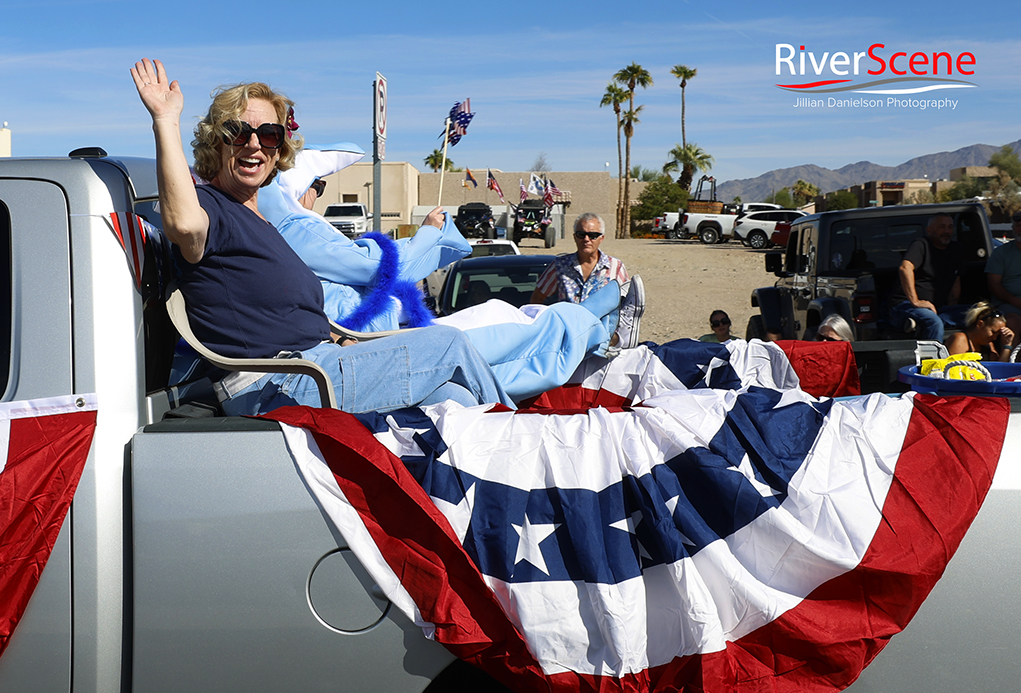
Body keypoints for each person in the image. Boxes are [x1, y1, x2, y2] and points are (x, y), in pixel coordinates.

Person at [131, 58, 513, 416]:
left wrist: (341, 338)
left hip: (318, 366)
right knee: (450, 345)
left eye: (268, 135)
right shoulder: (211, 207)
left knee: (455, 399)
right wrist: (165, 120)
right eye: (238, 132)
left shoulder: (261, 222)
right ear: (217, 141)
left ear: (279, 147)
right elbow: (183, 224)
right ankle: (530, 436)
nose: (253, 145)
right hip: (277, 385)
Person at [530, 213, 645, 348]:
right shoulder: (559, 266)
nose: (586, 239)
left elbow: (625, 304)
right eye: (581, 234)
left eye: (593, 235)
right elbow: (537, 299)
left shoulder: (615, 266)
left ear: (601, 238)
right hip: (567, 341)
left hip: (602, 342)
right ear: (574, 237)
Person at [887, 213, 966, 342]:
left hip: (938, 308)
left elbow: (956, 280)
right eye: (942, 227)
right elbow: (905, 268)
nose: (947, 231)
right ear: (930, 230)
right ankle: (933, 361)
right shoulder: (921, 245)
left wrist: (952, 307)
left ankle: (919, 325)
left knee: (981, 313)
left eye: (950, 227)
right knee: (933, 321)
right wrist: (916, 302)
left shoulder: (956, 249)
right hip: (905, 305)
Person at [985, 209, 1021, 347]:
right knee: (1013, 322)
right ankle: (1014, 366)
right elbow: (994, 284)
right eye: (1018, 225)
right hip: (1009, 305)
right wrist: (1016, 301)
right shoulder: (1001, 253)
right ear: (1013, 228)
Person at [945, 302, 1015, 361]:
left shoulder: (989, 345)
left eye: (998, 335)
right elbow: (952, 369)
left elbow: (999, 369)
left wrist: (1007, 345)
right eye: (993, 332)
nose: (994, 338)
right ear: (980, 324)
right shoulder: (959, 339)